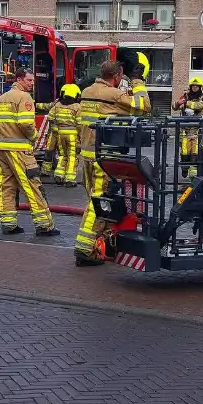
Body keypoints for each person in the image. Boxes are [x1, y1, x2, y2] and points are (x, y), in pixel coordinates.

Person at [73, 60, 138, 267]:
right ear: (117, 76)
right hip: (103, 159)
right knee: (98, 202)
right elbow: (144, 106)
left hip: (86, 157)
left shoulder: (87, 91)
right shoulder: (115, 95)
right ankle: (84, 247)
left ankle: (97, 245)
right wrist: (138, 82)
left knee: (94, 199)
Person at [0, 67, 58, 236]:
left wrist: (7, 134)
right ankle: (44, 226)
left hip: (2, 150)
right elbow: (26, 124)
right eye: (29, 80)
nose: (32, 83)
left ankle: (8, 224)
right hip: (20, 152)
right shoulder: (25, 98)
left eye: (33, 80)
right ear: (19, 79)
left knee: (6, 186)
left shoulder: (2, 98)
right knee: (33, 186)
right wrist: (34, 136)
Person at [173, 76, 203, 176]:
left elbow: (200, 105)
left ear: (200, 87)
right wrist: (178, 103)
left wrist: (187, 103)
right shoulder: (185, 96)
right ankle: (184, 169)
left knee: (196, 152)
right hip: (185, 129)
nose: (194, 87)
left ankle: (195, 175)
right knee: (185, 151)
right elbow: (175, 107)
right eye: (193, 86)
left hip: (197, 130)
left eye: (196, 86)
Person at [51, 84, 82, 186]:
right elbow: (79, 124)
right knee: (72, 156)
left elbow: (50, 117)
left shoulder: (58, 105)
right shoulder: (77, 107)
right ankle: (69, 178)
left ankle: (59, 174)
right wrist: (80, 137)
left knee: (62, 155)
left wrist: (56, 128)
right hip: (72, 135)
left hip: (60, 134)